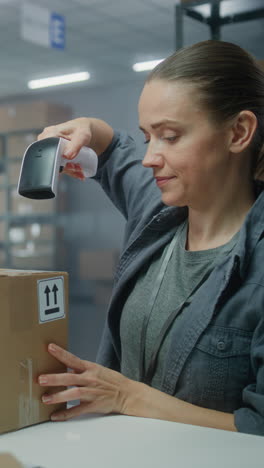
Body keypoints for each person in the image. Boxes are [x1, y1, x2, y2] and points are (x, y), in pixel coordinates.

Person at [37, 40, 264, 436]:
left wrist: (127, 397)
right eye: (148, 137)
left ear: (239, 132)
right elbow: (112, 150)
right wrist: (87, 130)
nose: (149, 157)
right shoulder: (159, 208)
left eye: (170, 137)